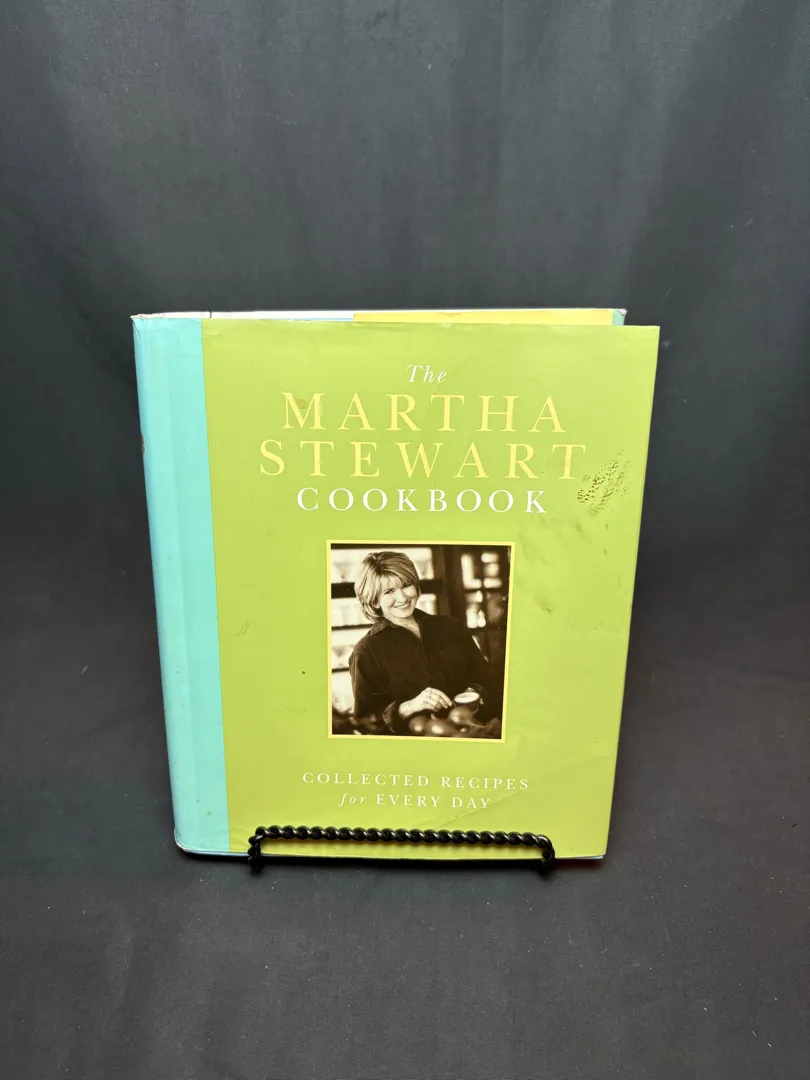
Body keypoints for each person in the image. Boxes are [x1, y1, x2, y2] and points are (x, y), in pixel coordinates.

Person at [348, 551, 500, 735]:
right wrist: (409, 707)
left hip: (473, 733)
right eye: (389, 591)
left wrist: (475, 691)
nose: (403, 598)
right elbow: (366, 724)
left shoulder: (451, 626)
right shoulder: (366, 650)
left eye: (406, 585)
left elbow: (486, 680)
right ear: (374, 601)